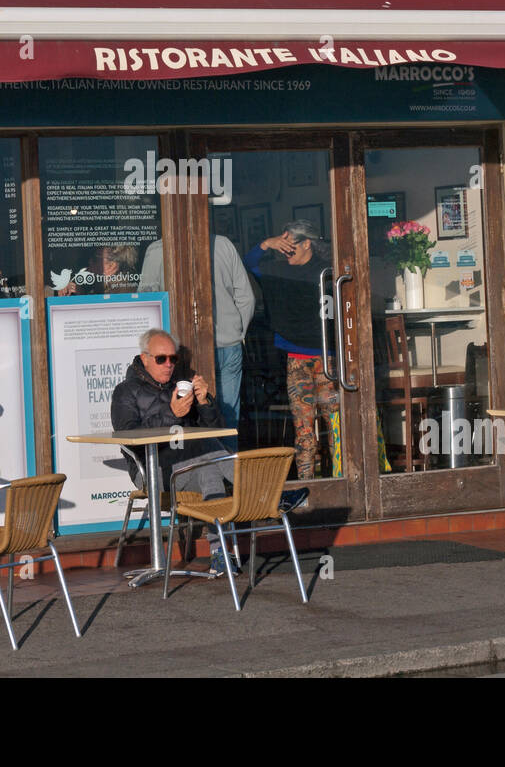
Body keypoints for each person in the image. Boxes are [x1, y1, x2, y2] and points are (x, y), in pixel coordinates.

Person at [110, 328, 237, 574]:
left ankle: (219, 553)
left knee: (208, 466)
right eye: (161, 359)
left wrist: (205, 403)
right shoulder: (125, 391)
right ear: (145, 358)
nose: (168, 365)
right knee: (206, 456)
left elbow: (217, 432)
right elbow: (128, 437)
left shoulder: (182, 384)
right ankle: (262, 491)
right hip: (151, 470)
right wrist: (171, 415)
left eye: (173, 359)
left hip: (190, 464)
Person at [139, 235, 255, 450]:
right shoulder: (224, 245)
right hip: (228, 343)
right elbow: (246, 297)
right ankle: (228, 473)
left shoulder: (157, 250)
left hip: (179, 349)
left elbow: (147, 300)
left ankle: (198, 473)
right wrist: (237, 332)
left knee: (185, 414)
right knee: (228, 415)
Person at [244, 221, 339, 481]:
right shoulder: (276, 271)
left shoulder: (328, 271)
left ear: (307, 243)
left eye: (290, 246)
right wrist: (266, 243)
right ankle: (308, 485)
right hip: (297, 358)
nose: (285, 252)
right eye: (281, 247)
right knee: (303, 428)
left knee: (337, 424)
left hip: (328, 358)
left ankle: (342, 479)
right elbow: (249, 262)